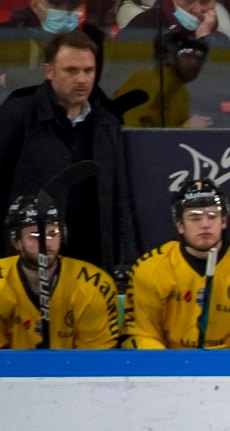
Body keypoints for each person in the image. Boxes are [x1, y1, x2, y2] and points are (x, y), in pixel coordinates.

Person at [0, 30, 137, 275]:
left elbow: (119, 199)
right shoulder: (17, 114)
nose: (82, 79)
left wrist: (127, 259)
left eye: (88, 70)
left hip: (90, 258)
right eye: (71, 71)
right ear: (49, 71)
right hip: (30, 257)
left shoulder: (107, 124)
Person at [123, 178, 230, 349]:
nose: (205, 225)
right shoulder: (150, 268)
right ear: (180, 225)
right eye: (194, 218)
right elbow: (143, 333)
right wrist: (166, 364)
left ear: (223, 221)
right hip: (174, 360)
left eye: (212, 216)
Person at [0, 192, 117, 347]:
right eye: (35, 235)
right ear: (16, 242)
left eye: (52, 234)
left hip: (73, 363)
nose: (46, 243)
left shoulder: (93, 285)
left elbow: (96, 357)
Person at [114, 26, 211, 129]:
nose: (194, 62)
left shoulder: (182, 94)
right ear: (168, 57)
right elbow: (126, 131)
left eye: (200, 56)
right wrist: (185, 129)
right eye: (187, 54)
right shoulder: (145, 82)